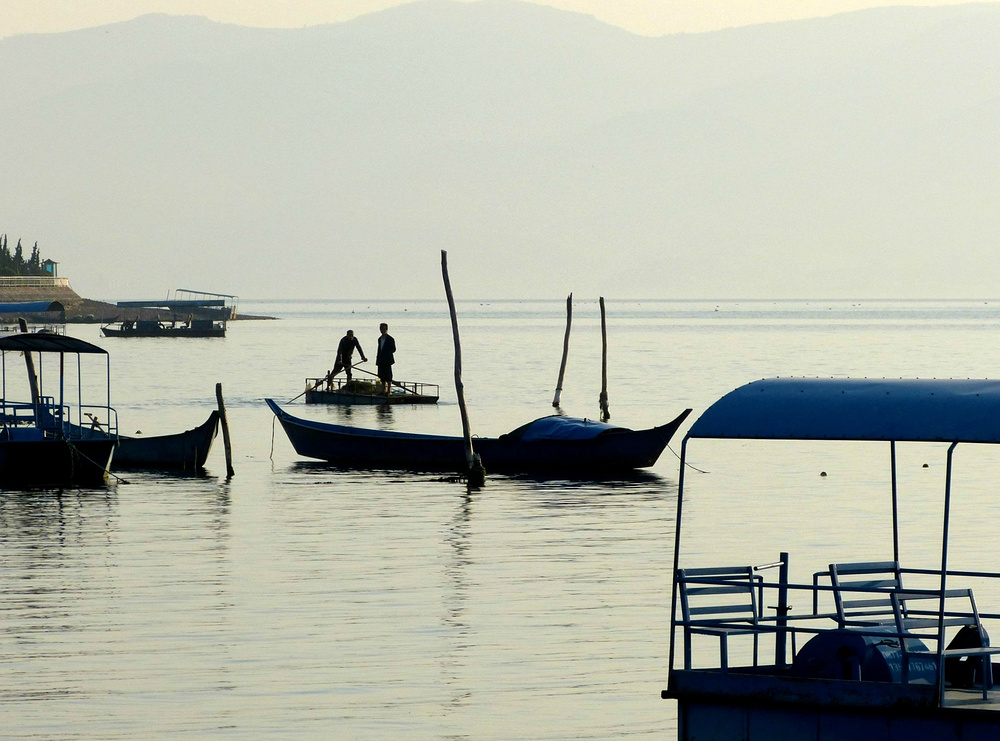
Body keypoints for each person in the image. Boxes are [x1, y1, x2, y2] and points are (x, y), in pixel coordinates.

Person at [375, 322, 396, 395]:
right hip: (381, 360)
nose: (382, 330)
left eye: (384, 329)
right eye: (381, 329)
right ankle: (383, 390)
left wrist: (387, 352)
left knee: (388, 375)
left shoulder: (390, 339)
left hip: (387, 360)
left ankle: (389, 390)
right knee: (381, 375)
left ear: (386, 329)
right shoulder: (379, 339)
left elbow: (393, 349)